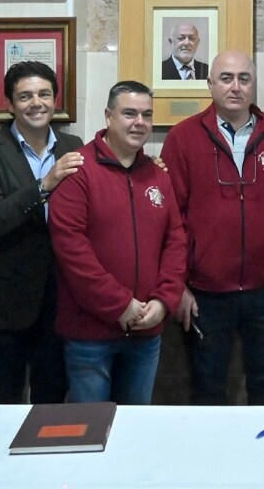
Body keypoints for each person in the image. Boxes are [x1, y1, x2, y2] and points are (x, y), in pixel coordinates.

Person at [164, 50, 264, 405]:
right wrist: (177, 285)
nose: (235, 86)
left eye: (244, 78)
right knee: (207, 386)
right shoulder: (182, 137)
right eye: (226, 78)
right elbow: (171, 218)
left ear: (254, 85)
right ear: (210, 84)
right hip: (206, 292)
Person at [47, 81, 187, 405]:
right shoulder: (77, 170)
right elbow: (71, 248)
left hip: (147, 332)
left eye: (147, 115)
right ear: (109, 116)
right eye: (129, 113)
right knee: (90, 431)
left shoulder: (158, 174)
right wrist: (119, 304)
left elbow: (176, 241)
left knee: (135, 431)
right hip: (89, 336)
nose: (139, 122)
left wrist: (164, 301)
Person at [0, 61, 84, 405]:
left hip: (62, 296)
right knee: (4, 393)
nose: (37, 103)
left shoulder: (72, 145)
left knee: (53, 391)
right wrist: (44, 185)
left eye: (44, 94)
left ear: (55, 99)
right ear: (9, 103)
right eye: (26, 96)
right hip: (8, 298)